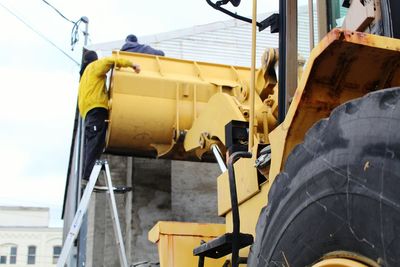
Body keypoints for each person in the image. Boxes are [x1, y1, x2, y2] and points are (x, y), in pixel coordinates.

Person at [78, 50, 140, 189]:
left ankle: (91, 178)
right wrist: (132, 64)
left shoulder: (83, 79)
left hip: (88, 114)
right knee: (95, 144)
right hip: (96, 110)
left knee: (95, 145)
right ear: (94, 60)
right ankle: (88, 178)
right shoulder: (93, 67)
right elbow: (110, 60)